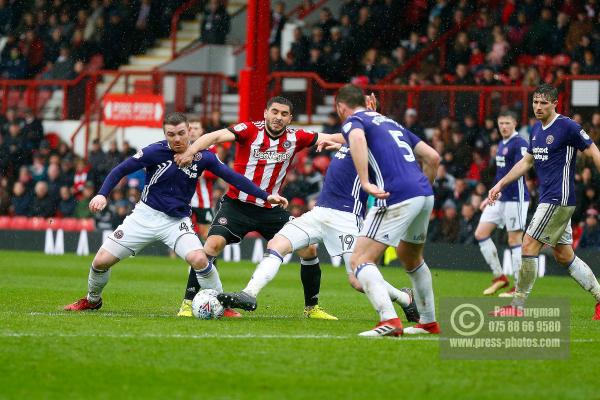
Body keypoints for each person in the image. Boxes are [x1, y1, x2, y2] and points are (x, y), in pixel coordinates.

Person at [216, 95, 420, 325]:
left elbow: (378, 135)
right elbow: (347, 137)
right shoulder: (352, 138)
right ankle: (249, 294)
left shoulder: (374, 139)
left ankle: (405, 298)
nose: (352, 115)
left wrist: (375, 114)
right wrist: (338, 141)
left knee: (357, 280)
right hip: (320, 211)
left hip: (346, 216)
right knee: (277, 244)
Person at [63, 112, 287, 312]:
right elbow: (121, 169)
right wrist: (102, 193)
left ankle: (221, 304)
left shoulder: (204, 156)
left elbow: (233, 177)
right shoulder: (154, 152)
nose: (177, 139)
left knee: (200, 259)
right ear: (165, 134)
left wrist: (265, 196)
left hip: (176, 221)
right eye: (171, 135)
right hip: (144, 216)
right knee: (100, 262)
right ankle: (93, 300)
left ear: (189, 131)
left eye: (181, 133)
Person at [174, 97, 345, 320]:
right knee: (212, 244)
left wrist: (362, 132)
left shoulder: (296, 137)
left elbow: (333, 137)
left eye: (284, 114)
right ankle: (188, 303)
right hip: (237, 205)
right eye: (274, 112)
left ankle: (312, 308)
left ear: (290, 118)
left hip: (270, 209)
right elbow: (214, 136)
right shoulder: (248, 130)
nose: (278, 117)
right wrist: (190, 152)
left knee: (309, 249)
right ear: (265, 113)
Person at [334, 84, 441, 336]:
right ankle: (428, 322)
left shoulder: (353, 120)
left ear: (340, 107)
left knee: (360, 259)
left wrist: (365, 180)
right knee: (409, 256)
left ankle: (389, 321)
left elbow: (357, 139)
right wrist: (422, 191)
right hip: (424, 193)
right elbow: (433, 157)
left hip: (395, 194)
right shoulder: (391, 123)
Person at [488, 84, 600, 320]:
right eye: (535, 102)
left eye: (543, 103)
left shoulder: (567, 126)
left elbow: (593, 151)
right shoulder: (537, 130)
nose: (538, 107)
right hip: (549, 199)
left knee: (527, 244)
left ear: (554, 103)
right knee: (564, 255)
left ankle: (516, 306)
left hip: (558, 199)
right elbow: (526, 163)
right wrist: (499, 185)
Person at [475, 111, 530, 297]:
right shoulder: (501, 144)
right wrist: (490, 195)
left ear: (515, 123)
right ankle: (500, 277)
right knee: (481, 233)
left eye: (507, 123)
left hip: (516, 198)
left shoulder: (520, 143)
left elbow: (519, 171)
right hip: (500, 197)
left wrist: (499, 191)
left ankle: (518, 287)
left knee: (514, 240)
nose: (504, 127)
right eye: (501, 123)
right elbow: (500, 175)